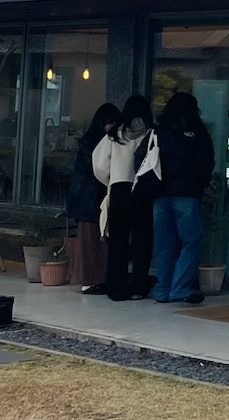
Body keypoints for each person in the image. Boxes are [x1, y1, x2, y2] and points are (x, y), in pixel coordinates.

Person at [148, 91, 218, 304]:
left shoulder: (158, 132)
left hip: (160, 194)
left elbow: (141, 158)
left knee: (163, 244)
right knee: (191, 241)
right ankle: (179, 287)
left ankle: (162, 288)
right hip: (187, 194)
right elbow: (205, 162)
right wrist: (199, 185)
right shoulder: (198, 133)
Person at [93, 94, 156, 300]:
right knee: (142, 241)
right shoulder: (151, 133)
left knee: (117, 241)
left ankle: (116, 288)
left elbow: (99, 164)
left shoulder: (115, 134)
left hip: (119, 189)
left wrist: (110, 180)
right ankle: (138, 287)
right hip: (141, 191)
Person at [66, 103, 120, 294]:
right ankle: (89, 281)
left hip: (95, 198)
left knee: (101, 241)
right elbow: (93, 170)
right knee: (90, 242)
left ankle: (100, 279)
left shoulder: (98, 141)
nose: (113, 127)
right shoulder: (90, 144)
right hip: (89, 200)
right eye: (110, 123)